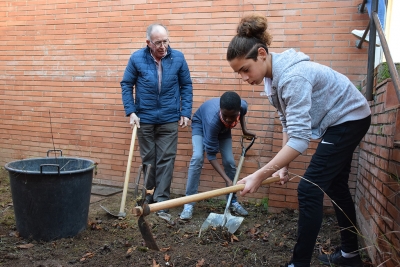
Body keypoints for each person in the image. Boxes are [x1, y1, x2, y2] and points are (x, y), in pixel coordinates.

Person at [226, 14, 371, 267]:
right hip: (338, 121)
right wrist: (283, 165)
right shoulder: (272, 81)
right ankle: (350, 255)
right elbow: (288, 125)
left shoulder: (293, 77)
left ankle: (299, 263)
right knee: (336, 187)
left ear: (261, 54)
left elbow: (300, 140)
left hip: (350, 118)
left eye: (245, 69)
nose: (244, 78)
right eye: (239, 73)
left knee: (309, 189)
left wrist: (260, 174)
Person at [120, 23, 193, 214]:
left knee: (166, 159)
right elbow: (126, 84)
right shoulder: (137, 58)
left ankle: (161, 202)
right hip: (144, 118)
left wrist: (185, 111)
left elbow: (186, 85)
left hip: (169, 118)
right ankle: (149, 195)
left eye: (166, 41)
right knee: (149, 159)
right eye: (158, 42)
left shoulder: (178, 58)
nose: (163, 46)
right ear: (148, 43)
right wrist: (131, 111)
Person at [179, 91, 256, 220]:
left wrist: (245, 130)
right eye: (225, 115)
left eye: (232, 116)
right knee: (198, 157)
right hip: (201, 124)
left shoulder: (242, 106)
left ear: (238, 111)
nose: (229, 119)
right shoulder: (212, 121)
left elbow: (241, 114)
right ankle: (188, 203)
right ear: (221, 110)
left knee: (230, 162)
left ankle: (232, 201)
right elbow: (211, 156)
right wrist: (227, 179)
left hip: (223, 129)